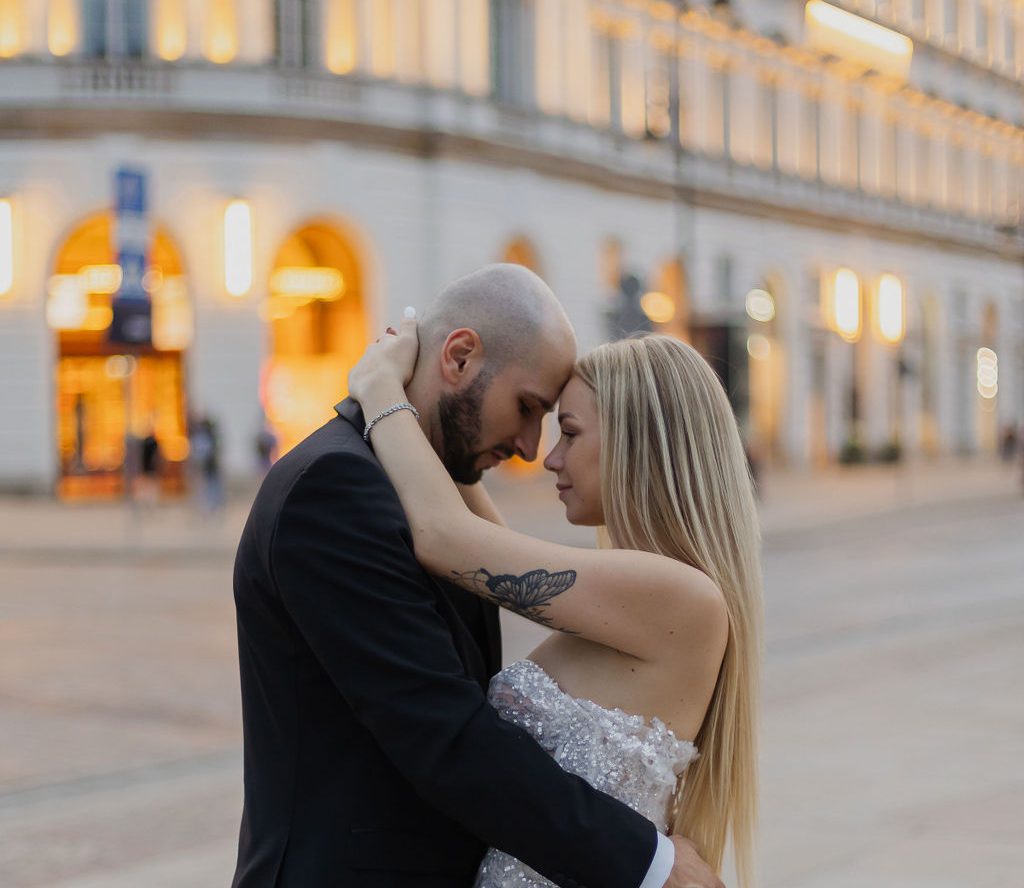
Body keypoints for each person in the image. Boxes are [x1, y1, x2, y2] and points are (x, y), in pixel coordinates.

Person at [231, 265, 723, 888]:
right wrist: (647, 863)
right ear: (459, 357)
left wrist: (385, 390)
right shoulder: (336, 487)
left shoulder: (427, 499)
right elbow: (443, 734)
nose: (533, 449)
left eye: (563, 427)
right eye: (528, 408)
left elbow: (462, 539)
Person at [347, 312, 763, 887]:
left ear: (635, 442)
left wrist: (379, 387)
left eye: (568, 432)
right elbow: (488, 544)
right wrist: (443, 410)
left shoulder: (679, 595)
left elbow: (447, 539)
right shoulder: (649, 592)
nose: (549, 458)